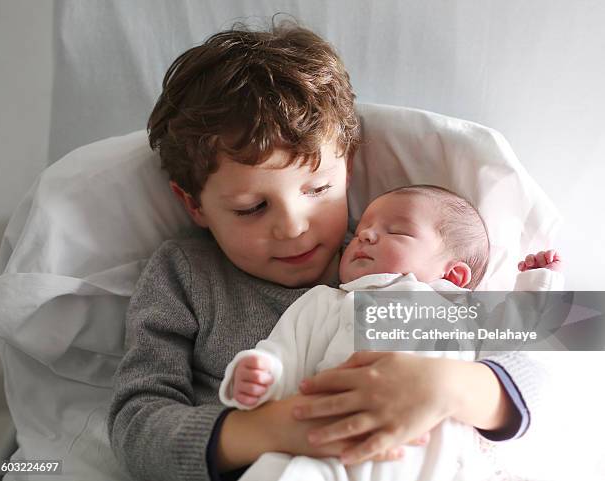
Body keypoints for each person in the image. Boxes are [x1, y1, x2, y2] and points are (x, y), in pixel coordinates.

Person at [107, 21, 553, 481]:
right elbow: (135, 425)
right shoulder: (185, 275)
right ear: (193, 203)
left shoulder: (400, 259)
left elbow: (552, 367)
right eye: (252, 208)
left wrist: (449, 387)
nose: (293, 228)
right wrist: (268, 430)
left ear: (348, 172)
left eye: (319, 189)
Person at [218, 185, 563, 481]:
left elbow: (518, 338)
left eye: (397, 231)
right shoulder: (328, 301)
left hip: (433, 463)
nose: (364, 235)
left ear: (453, 276)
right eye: (361, 232)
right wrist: (259, 372)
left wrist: (538, 282)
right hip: (333, 452)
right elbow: (287, 349)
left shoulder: (462, 313)